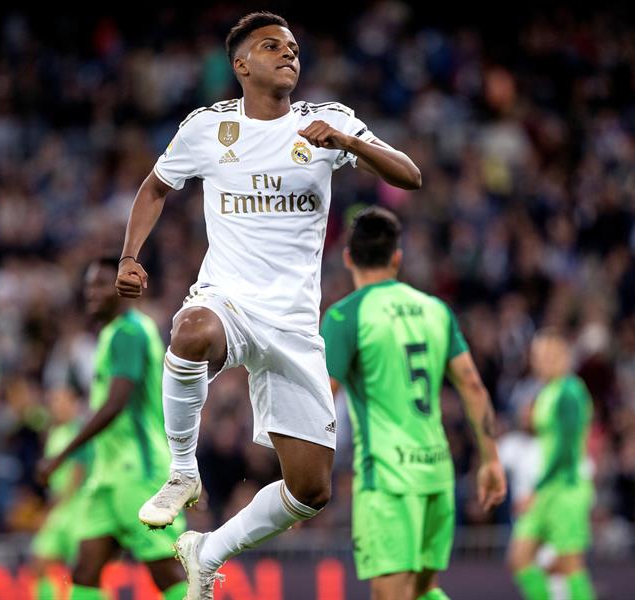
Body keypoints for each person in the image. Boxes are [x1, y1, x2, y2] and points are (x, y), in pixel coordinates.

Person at [114, 11, 422, 599]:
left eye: (294, 48)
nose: (288, 55)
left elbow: (410, 176)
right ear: (241, 64)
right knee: (189, 331)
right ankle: (182, 472)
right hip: (229, 299)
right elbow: (155, 187)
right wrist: (129, 256)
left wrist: (350, 142)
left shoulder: (327, 122)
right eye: (271, 46)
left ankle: (209, 549)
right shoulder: (207, 128)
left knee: (311, 491)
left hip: (295, 325)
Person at [320, 207, 507, 600]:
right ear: (397, 258)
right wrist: (490, 459)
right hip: (436, 472)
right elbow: (473, 385)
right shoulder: (436, 310)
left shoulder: (345, 316)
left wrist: (300, 479)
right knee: (424, 591)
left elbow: (324, 398)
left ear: (348, 257)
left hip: (387, 479)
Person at [37, 259, 187, 600]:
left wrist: (61, 454)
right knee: (85, 570)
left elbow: (116, 403)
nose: (91, 292)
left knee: (164, 569)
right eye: (89, 284)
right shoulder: (111, 334)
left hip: (138, 470)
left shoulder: (129, 333)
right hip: (108, 475)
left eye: (102, 284)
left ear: (124, 290)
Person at [508, 330, 596, 600]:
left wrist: (536, 490)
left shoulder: (570, 392)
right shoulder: (549, 391)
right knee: (519, 557)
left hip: (566, 488)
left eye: (549, 355)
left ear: (565, 357)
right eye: (537, 356)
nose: (541, 362)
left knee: (570, 564)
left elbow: (565, 451)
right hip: (549, 488)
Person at [31, 387, 87, 600]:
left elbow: (78, 472)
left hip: (76, 506)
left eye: (61, 400)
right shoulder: (55, 433)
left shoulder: (80, 430)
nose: (57, 406)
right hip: (60, 506)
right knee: (39, 564)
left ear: (73, 402)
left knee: (85, 571)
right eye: (53, 401)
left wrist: (52, 507)